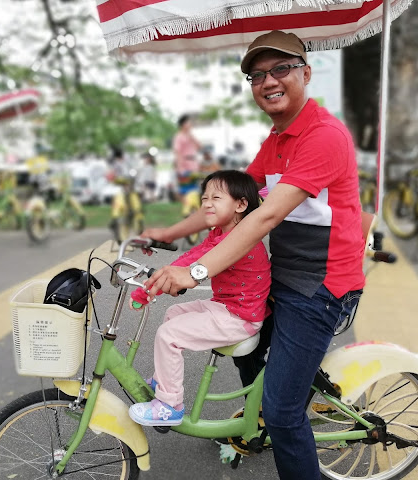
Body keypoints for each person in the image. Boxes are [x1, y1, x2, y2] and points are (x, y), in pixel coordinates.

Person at [140, 30, 365, 479]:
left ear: (305, 72)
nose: (268, 81)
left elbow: (260, 219)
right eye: (257, 74)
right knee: (248, 349)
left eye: (280, 69)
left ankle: (276, 418)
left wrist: (195, 271)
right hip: (284, 275)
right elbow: (230, 201)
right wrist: (167, 232)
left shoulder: (323, 136)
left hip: (321, 287)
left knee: (283, 411)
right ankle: (257, 418)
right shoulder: (277, 139)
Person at [128, 170, 271, 427]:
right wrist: (157, 282)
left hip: (239, 318)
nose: (207, 204)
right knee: (172, 315)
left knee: (169, 335)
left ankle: (170, 404)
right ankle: (164, 380)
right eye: (204, 198)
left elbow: (191, 265)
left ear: (240, 204)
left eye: (216, 197)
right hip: (227, 307)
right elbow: (191, 256)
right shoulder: (222, 233)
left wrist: (146, 290)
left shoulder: (236, 239)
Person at [173, 114, 202, 199]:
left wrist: (192, 137)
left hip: (193, 165)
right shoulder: (179, 137)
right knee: (185, 190)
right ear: (183, 124)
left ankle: (193, 209)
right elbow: (177, 152)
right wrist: (180, 167)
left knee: (195, 189)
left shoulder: (191, 136)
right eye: (188, 122)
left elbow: (199, 146)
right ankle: (187, 210)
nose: (190, 124)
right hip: (184, 165)